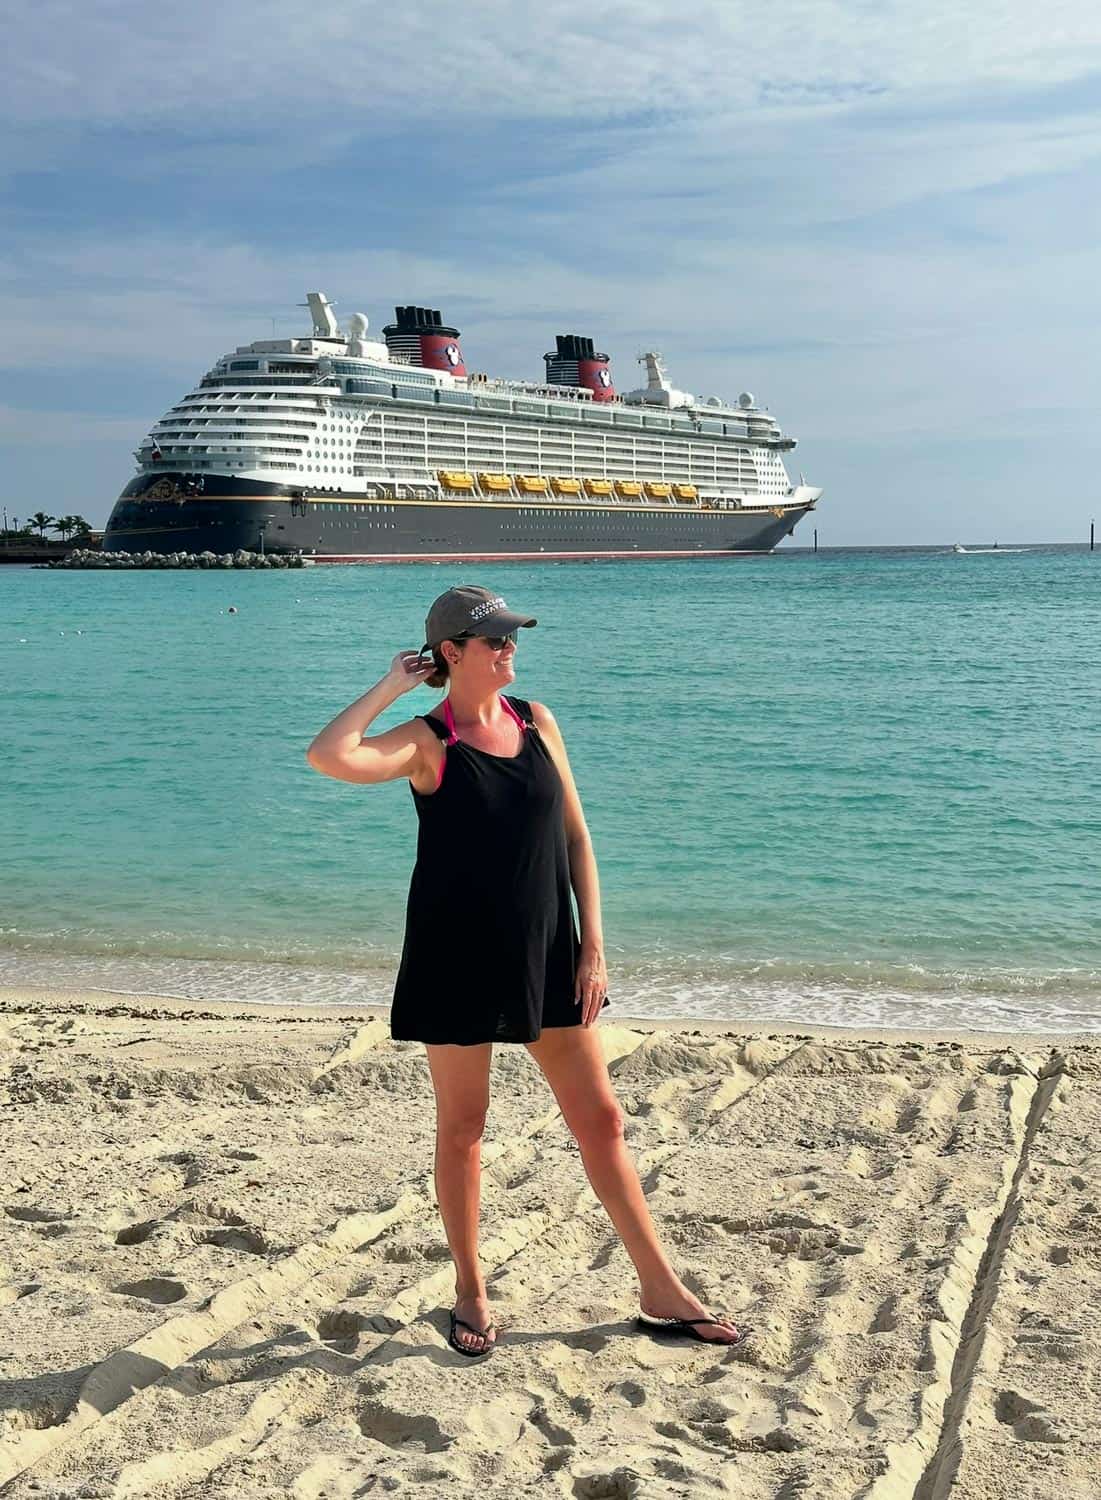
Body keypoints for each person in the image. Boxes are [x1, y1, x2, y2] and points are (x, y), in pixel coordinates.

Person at [306, 585, 749, 1358]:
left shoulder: (537, 722)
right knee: (464, 1130)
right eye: (494, 641)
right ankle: (470, 1290)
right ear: (452, 653)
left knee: (601, 1121)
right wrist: (391, 685)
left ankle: (658, 1288)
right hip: (454, 958)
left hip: (549, 951)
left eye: (512, 638)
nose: (510, 649)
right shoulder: (425, 740)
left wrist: (594, 947)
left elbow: (576, 839)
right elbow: (329, 754)